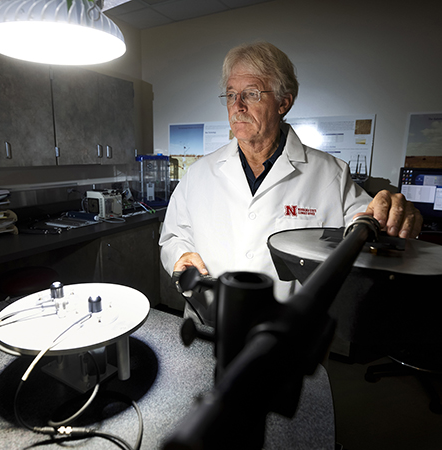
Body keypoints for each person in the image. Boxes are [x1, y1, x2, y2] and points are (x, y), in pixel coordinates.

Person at [159, 41, 422, 302]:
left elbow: (369, 225)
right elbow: (173, 236)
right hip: (209, 321)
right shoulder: (199, 173)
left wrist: (393, 214)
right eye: (230, 95)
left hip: (287, 331)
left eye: (251, 94)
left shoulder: (331, 174)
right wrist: (180, 255)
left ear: (283, 103)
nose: (237, 106)